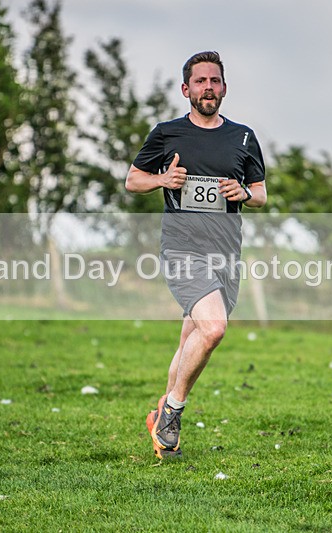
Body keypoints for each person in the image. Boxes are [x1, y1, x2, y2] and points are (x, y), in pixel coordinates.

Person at [126, 51, 267, 459]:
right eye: (201, 81)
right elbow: (133, 180)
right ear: (186, 89)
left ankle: (159, 414)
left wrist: (244, 193)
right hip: (182, 246)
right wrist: (162, 179)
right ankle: (173, 411)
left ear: (224, 88)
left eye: (215, 80)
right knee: (214, 328)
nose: (209, 87)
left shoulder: (242, 137)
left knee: (193, 334)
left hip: (226, 252)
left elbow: (259, 193)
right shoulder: (168, 133)